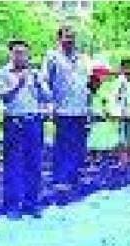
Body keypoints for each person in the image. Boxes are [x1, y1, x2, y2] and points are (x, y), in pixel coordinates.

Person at [0, 39, 48, 218]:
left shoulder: (35, 73)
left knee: (34, 163)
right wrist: (18, 84)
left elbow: (47, 97)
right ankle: (12, 206)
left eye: (23, 53)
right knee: (13, 165)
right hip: (13, 123)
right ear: (10, 54)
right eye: (16, 52)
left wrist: (39, 83)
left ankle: (31, 203)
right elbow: (4, 98)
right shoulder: (1, 73)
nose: (20, 56)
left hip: (33, 121)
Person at [42, 25, 91, 197]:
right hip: (62, 108)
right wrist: (49, 106)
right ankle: (60, 179)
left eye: (72, 37)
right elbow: (45, 82)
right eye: (66, 37)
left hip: (81, 108)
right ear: (59, 39)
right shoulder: (52, 57)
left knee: (79, 144)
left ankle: (75, 175)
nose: (70, 40)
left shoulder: (83, 58)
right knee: (63, 144)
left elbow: (88, 83)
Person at [110, 59, 130, 156]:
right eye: (126, 67)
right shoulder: (120, 81)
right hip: (121, 113)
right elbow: (116, 97)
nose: (129, 69)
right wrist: (118, 112)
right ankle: (122, 157)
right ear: (122, 68)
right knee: (122, 137)